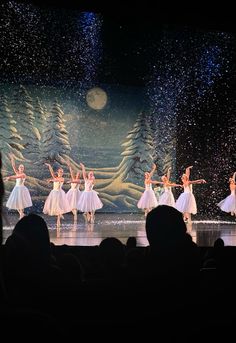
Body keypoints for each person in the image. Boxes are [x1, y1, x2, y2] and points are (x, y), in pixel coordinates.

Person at [5, 154, 32, 220]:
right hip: (16, 188)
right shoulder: (17, 172)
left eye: (22, 168)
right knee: (16, 202)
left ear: (23, 169)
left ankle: (21, 215)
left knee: (21, 202)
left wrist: (10, 177)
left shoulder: (23, 174)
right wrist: (12, 158)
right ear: (19, 168)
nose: (21, 168)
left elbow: (16, 177)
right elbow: (13, 166)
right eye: (20, 167)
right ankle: (21, 213)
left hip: (21, 189)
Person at [43, 163, 70, 229]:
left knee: (59, 205)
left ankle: (58, 220)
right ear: (57, 172)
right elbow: (52, 172)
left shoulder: (62, 179)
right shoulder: (55, 177)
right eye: (60, 172)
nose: (61, 173)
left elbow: (57, 180)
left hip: (60, 193)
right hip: (54, 193)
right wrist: (49, 166)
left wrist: (51, 180)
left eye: (62, 172)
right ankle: (59, 215)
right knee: (55, 205)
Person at [65, 160, 81, 225]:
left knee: (75, 205)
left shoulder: (78, 180)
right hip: (71, 192)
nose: (77, 174)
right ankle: (74, 214)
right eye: (77, 173)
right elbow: (71, 171)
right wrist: (69, 165)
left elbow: (76, 182)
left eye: (78, 174)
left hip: (76, 193)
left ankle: (75, 216)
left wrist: (70, 182)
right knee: (69, 205)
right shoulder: (73, 179)